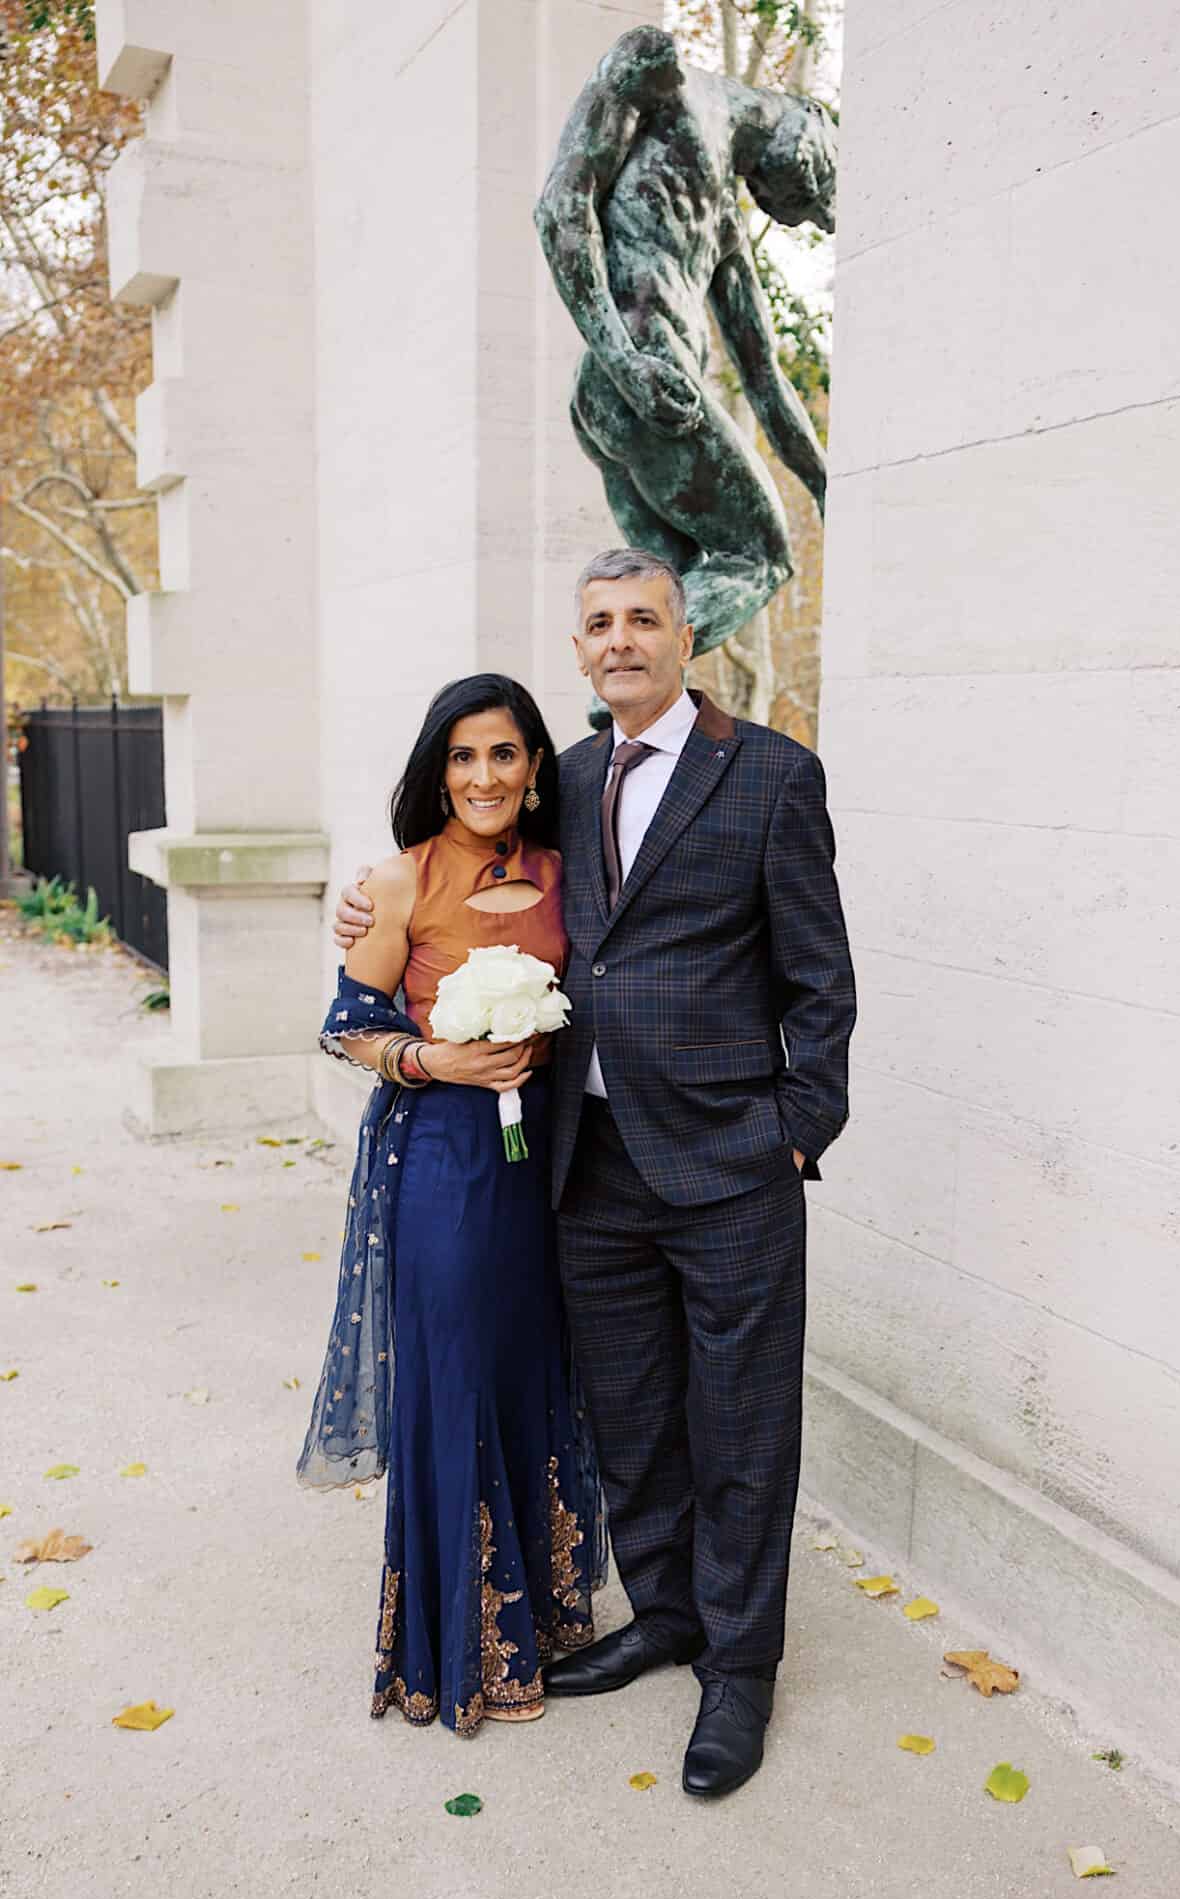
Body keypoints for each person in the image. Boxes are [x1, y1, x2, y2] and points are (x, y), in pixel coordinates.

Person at [334, 546, 857, 1796]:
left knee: (741, 1423)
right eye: (599, 622)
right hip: (585, 1158)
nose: (620, 638)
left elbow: (820, 976)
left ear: (685, 636)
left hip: (730, 1158)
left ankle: (740, 1668)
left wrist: (798, 1127)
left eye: (642, 618)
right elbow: (466, 876)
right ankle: (664, 1612)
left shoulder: (771, 773)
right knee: (630, 1412)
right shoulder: (560, 779)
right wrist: (367, 905)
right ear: (578, 650)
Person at [304, 672, 610, 1735]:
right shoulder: (397, 882)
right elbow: (348, 1023)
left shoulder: (571, 873)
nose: (485, 775)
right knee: (457, 1377)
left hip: (546, 1164)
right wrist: (434, 1057)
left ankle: (542, 1614)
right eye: (464, 756)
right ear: (440, 771)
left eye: (504, 753)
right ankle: (456, 1646)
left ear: (534, 768)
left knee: (531, 1367)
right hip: (443, 1161)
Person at [534, 25, 832, 663]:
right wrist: (625, 361)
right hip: (646, 377)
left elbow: (765, 377)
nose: (808, 206)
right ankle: (617, 676)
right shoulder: (658, 65)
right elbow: (561, 206)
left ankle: (622, 715)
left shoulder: (722, 219)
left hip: (625, 397)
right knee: (759, 557)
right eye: (817, 183)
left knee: (666, 588)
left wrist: (829, 485)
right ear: (810, 121)